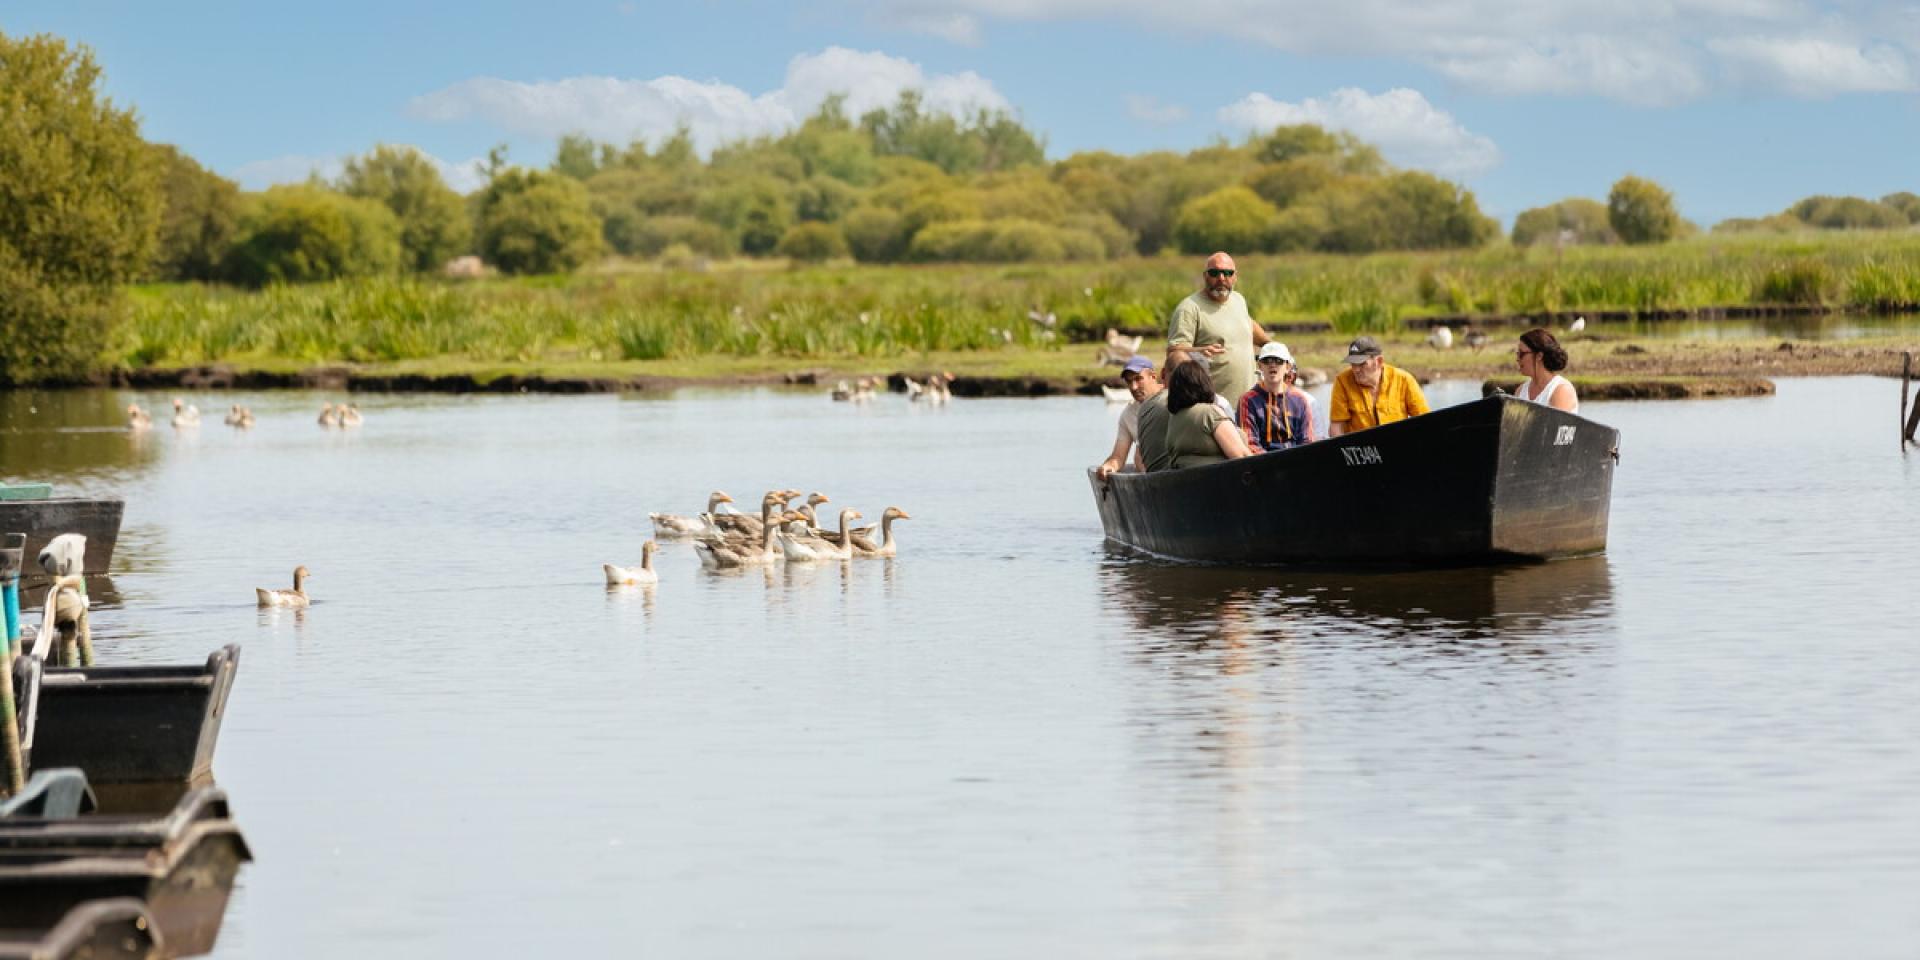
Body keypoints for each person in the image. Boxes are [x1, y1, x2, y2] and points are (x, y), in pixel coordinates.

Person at [1166, 251, 1270, 400]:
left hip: (1248, 405)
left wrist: (1270, 344)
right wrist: (1199, 351)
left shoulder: (1238, 300)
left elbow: (1248, 324)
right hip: (1214, 407)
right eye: (1214, 273)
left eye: (1227, 273)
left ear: (1235, 277)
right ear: (1205, 276)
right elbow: (1173, 354)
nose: (1221, 278)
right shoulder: (1189, 308)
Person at [1328, 335, 1429, 437]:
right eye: (1353, 364)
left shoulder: (1404, 380)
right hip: (1362, 450)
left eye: (1362, 364)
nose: (1356, 369)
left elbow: (1425, 421)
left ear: (1379, 361)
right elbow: (1336, 427)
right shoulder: (1342, 382)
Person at [1164, 360, 1253, 469]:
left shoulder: (1174, 419)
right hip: (1218, 481)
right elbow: (1241, 456)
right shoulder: (1209, 413)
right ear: (1203, 383)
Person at [1237, 342, 1316, 452]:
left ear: (1287, 367)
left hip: (1297, 461)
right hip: (1262, 464)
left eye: (1278, 361)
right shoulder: (1247, 400)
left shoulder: (1300, 400)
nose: (1272, 365)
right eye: (1267, 360)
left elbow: (1307, 441)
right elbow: (1250, 443)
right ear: (1260, 366)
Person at [1096, 356, 1164, 479]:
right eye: (1129, 381)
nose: (1133, 387)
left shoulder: (1174, 398)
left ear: (1153, 377)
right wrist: (1109, 466)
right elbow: (1118, 457)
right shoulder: (1127, 415)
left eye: (1138, 379)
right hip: (1149, 481)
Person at [1513, 327, 1579, 413]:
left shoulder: (1561, 390)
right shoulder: (1520, 391)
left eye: (1522, 354)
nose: (1517, 359)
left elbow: (1557, 426)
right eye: (1517, 353)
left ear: (1539, 356)